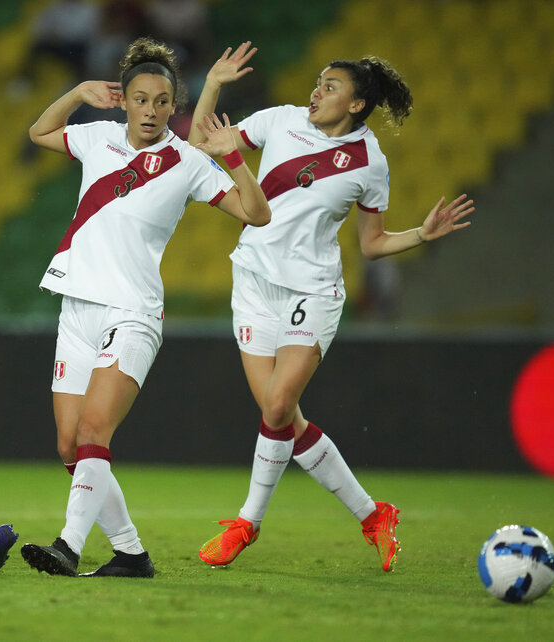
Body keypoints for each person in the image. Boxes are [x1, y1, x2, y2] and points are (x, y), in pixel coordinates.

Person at [187, 43, 474, 571]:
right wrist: (212, 84)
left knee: (276, 410)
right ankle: (374, 514)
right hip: (252, 281)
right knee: (283, 418)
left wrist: (422, 233)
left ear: (358, 104)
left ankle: (245, 523)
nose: (316, 92)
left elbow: (372, 243)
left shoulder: (370, 164)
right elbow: (198, 139)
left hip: (312, 291)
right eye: (317, 83)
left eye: (330, 87)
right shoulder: (279, 120)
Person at [19, 37, 271, 578]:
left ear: (174, 105)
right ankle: (131, 554)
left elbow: (257, 215)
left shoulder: (187, 162)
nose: (151, 110)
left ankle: (67, 545)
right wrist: (76, 93)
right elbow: (38, 132)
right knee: (70, 446)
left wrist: (234, 160)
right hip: (78, 308)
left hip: (132, 313)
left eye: (162, 101)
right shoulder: (98, 138)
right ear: (124, 101)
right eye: (140, 99)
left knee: (93, 432)